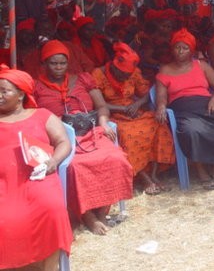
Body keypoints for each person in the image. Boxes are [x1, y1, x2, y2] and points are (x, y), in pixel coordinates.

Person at [34, 40, 133, 235]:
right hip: (60, 139)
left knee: (115, 158)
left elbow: (102, 106)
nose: (58, 67)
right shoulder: (36, 87)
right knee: (74, 167)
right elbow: (35, 117)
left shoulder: (83, 79)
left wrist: (103, 123)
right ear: (44, 64)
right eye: (53, 63)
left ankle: (103, 211)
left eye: (62, 63)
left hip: (90, 133)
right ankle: (87, 216)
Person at [0, 67, 73, 271]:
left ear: (21, 94)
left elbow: (63, 142)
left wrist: (53, 162)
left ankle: (49, 266)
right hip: (5, 183)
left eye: (4, 91)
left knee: (51, 209)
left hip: (38, 177)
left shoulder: (41, 115)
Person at [155, 29, 214, 189]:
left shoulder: (201, 65)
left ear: (192, 50)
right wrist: (161, 106)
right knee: (192, 131)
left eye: (185, 48)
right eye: (177, 47)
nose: (180, 51)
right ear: (172, 49)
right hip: (183, 109)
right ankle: (200, 170)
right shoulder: (165, 70)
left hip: (206, 106)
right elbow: (161, 96)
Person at [92, 42, 175, 195]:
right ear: (114, 66)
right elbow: (99, 104)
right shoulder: (98, 74)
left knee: (159, 125)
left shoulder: (134, 72)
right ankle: (144, 178)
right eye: (122, 75)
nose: (125, 78)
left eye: (128, 76)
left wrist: (137, 104)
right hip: (112, 115)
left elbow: (146, 93)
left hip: (132, 110)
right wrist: (122, 109)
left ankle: (154, 174)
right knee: (129, 135)